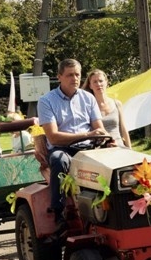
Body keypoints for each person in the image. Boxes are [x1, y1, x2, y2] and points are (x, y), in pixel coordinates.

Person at [37, 58, 108, 233]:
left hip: (89, 148)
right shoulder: (46, 101)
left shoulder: (88, 98)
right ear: (59, 77)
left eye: (77, 74)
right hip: (63, 149)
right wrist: (88, 135)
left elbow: (100, 128)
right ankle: (59, 213)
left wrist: (102, 136)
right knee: (58, 160)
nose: (74, 78)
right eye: (69, 75)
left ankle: (110, 209)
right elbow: (53, 138)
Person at [82, 68, 131, 148]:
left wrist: (130, 149)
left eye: (101, 81)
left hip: (119, 146)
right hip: (99, 149)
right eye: (95, 82)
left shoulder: (117, 104)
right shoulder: (87, 107)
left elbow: (123, 129)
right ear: (90, 85)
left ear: (106, 82)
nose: (98, 84)